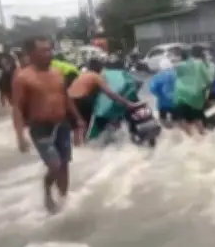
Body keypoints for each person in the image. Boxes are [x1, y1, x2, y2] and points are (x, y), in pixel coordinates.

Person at [11, 36, 86, 214]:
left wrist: (78, 120)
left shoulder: (57, 73)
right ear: (31, 54)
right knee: (55, 164)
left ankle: (64, 200)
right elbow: (17, 108)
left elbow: (65, 98)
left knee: (65, 164)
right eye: (43, 51)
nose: (48, 53)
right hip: (41, 127)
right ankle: (46, 191)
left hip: (62, 124)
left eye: (49, 49)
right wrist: (20, 136)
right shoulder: (23, 78)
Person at [67, 58, 138, 132]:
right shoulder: (96, 76)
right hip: (81, 101)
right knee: (86, 127)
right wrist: (127, 103)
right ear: (99, 68)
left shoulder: (82, 76)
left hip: (68, 102)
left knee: (78, 128)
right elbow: (110, 94)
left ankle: (80, 142)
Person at [88, 59, 142, 141]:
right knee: (131, 118)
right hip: (125, 101)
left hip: (105, 109)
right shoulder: (121, 74)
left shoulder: (96, 77)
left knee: (99, 133)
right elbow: (138, 83)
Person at [173, 44, 213, 136]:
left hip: (180, 96)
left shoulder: (180, 65)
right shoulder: (200, 64)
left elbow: (177, 79)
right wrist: (206, 92)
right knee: (198, 119)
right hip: (195, 96)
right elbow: (209, 80)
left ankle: (189, 139)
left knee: (184, 120)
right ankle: (203, 139)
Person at [148, 57, 177, 128]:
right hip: (176, 103)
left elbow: (152, 89)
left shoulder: (158, 76)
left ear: (161, 67)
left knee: (163, 121)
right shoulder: (176, 75)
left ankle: (167, 133)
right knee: (177, 122)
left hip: (162, 104)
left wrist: (159, 95)